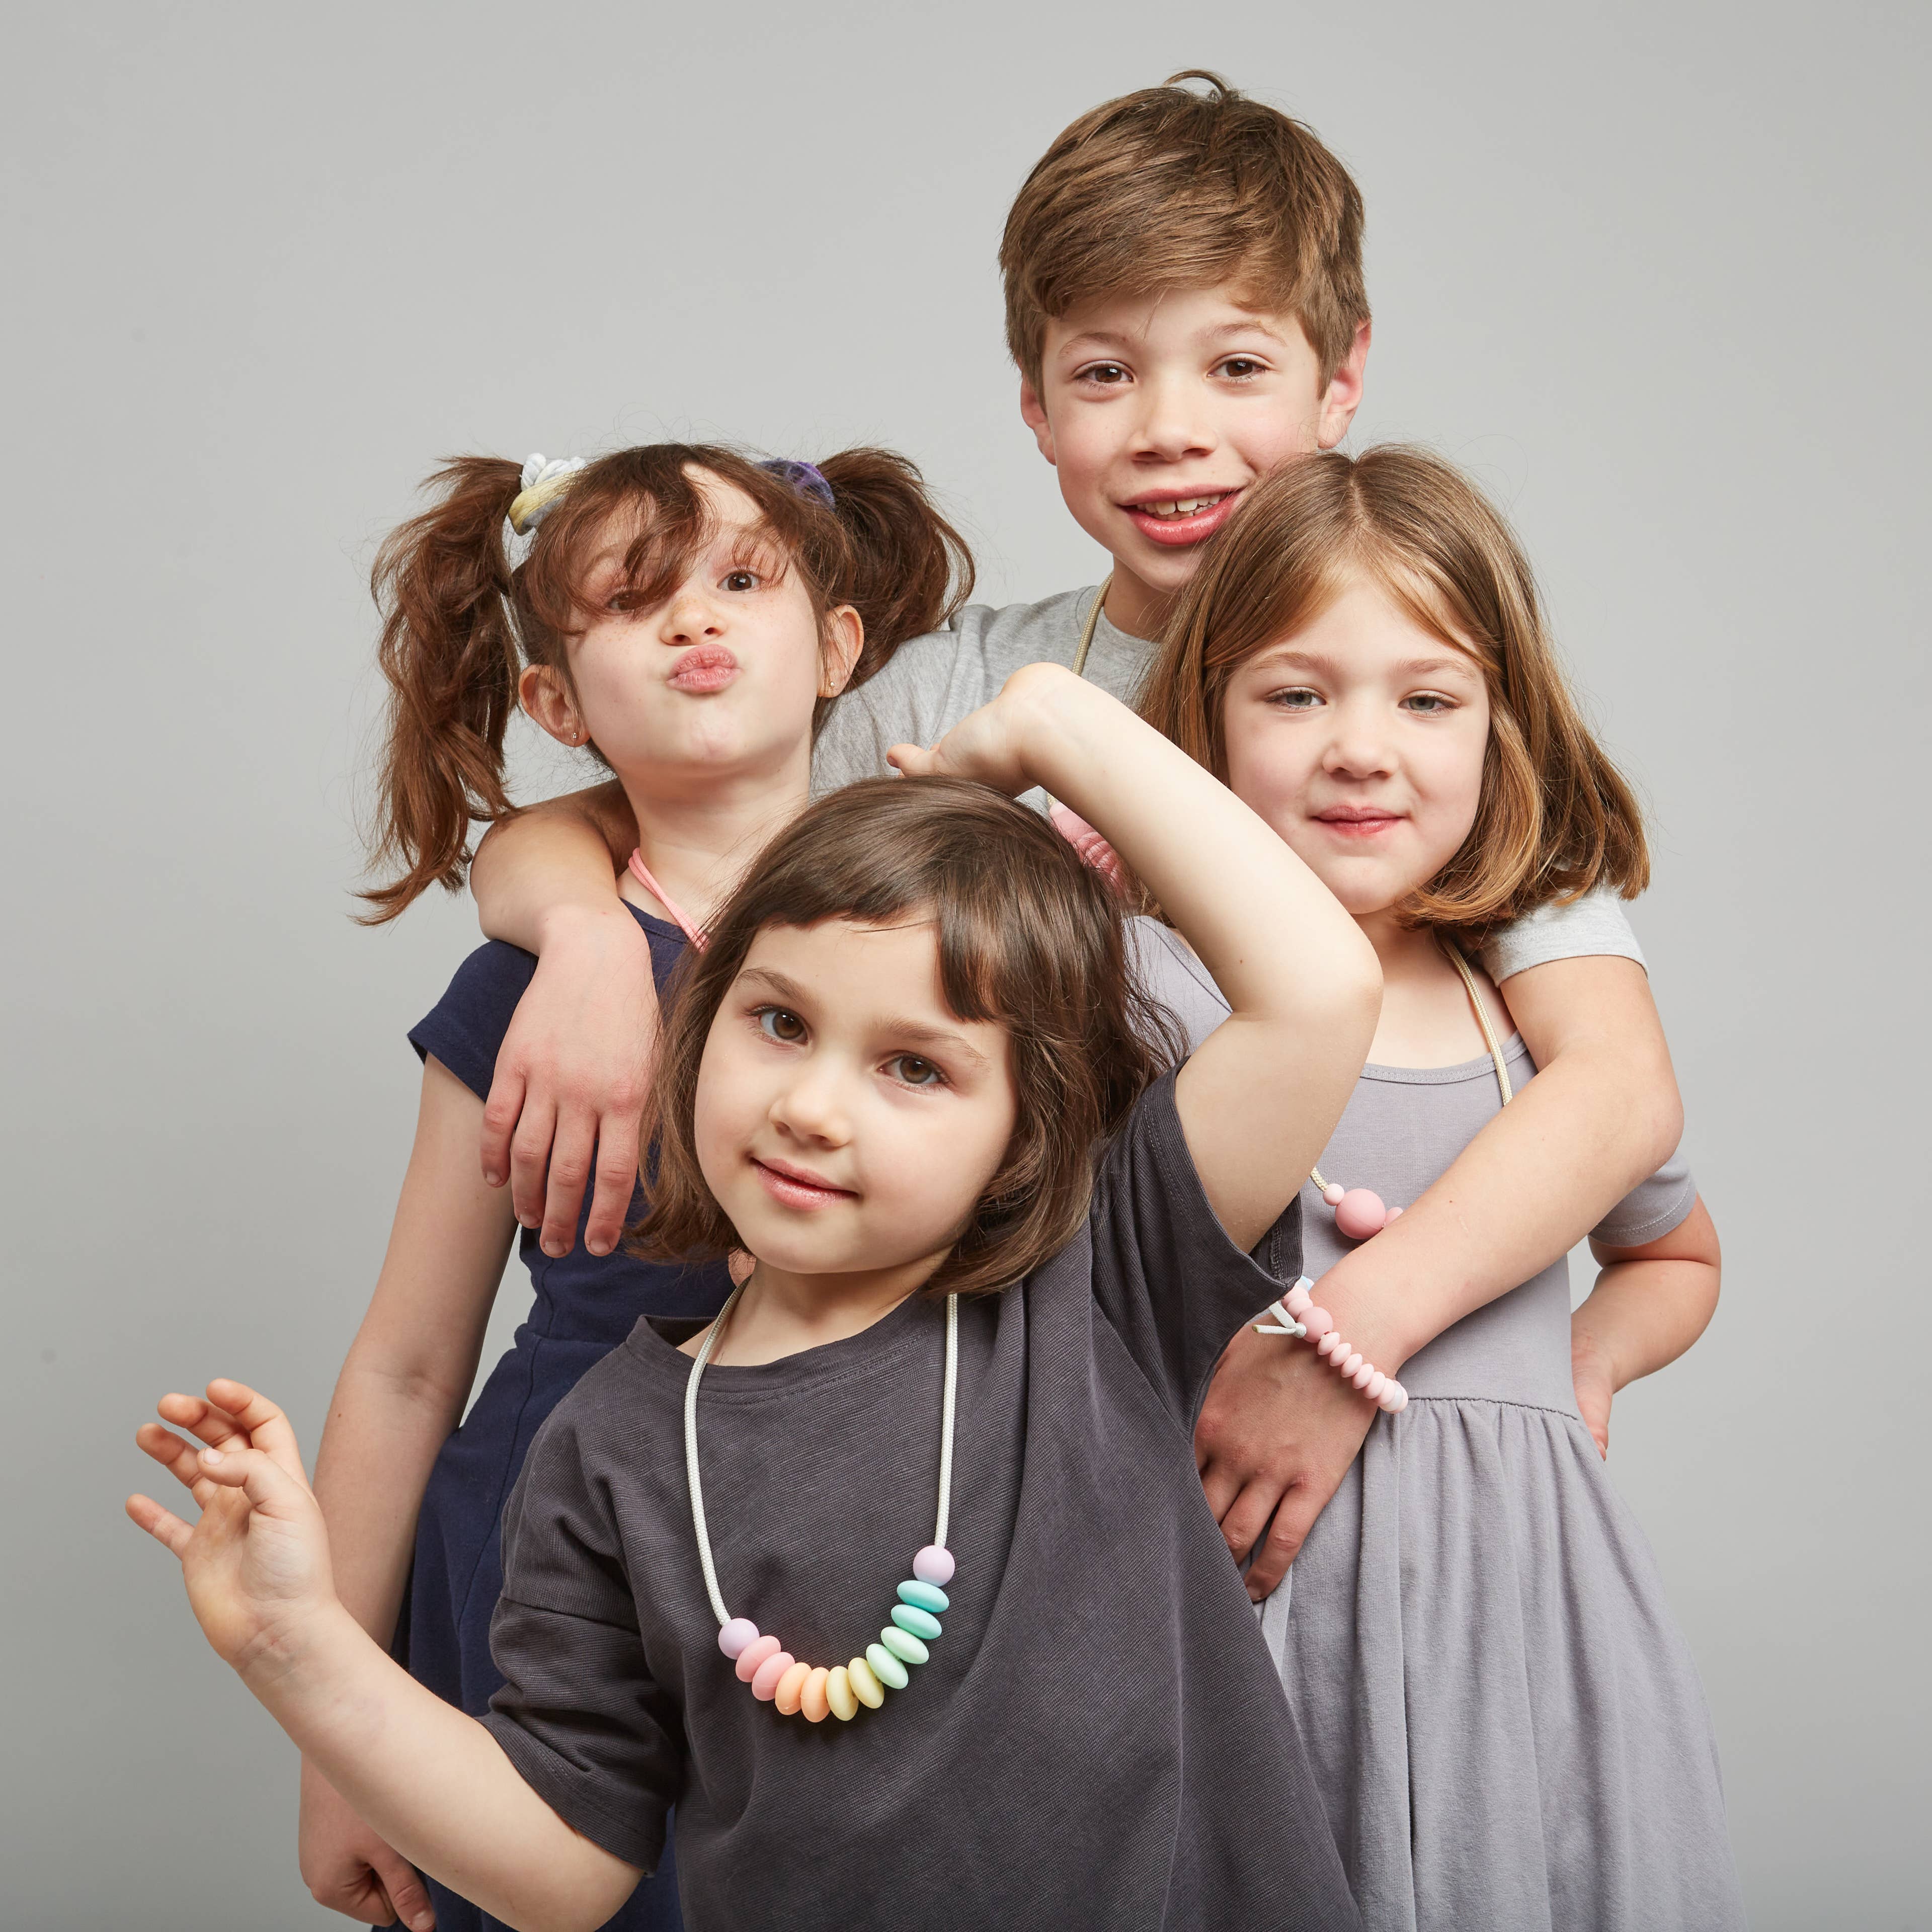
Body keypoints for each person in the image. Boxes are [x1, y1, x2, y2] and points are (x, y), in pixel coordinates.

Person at [446, 76, 1685, 1601]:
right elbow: (637, 812)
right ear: (1033, 402)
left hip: (1325, 1429)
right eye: (1105, 374)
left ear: (1341, 375)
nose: (1173, 432)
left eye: (1237, 365)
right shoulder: (948, 684)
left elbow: (1618, 1089)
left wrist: (1345, 1345)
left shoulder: (1411, 705)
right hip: (1004, 1436)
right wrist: (579, 931)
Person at [128, 666, 1383, 1932]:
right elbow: (566, 1864)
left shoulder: (1100, 1282)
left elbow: (1321, 990)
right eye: (779, 1022)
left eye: (913, 1067)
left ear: (1025, 1133)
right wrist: (301, 1650)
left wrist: (1048, 723)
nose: (810, 1107)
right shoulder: (612, 1450)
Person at [298, 442, 972, 1932]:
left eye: (741, 581)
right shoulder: (522, 982)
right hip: (558, 1541)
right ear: (557, 701)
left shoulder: (955, 921)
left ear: (839, 649)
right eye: (632, 599)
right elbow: (410, 1367)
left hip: (864, 1522)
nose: (694, 622)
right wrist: (338, 1742)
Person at [1132, 445, 1745, 1928]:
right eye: (1296, 694)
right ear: (1204, 717)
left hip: (1526, 1630)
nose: (1362, 748)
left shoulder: (1516, 1011)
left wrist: (1571, 1371)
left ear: (1500, 732)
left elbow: (1677, 1257)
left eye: (1428, 700)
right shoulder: (1145, 981)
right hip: (1246, 1622)